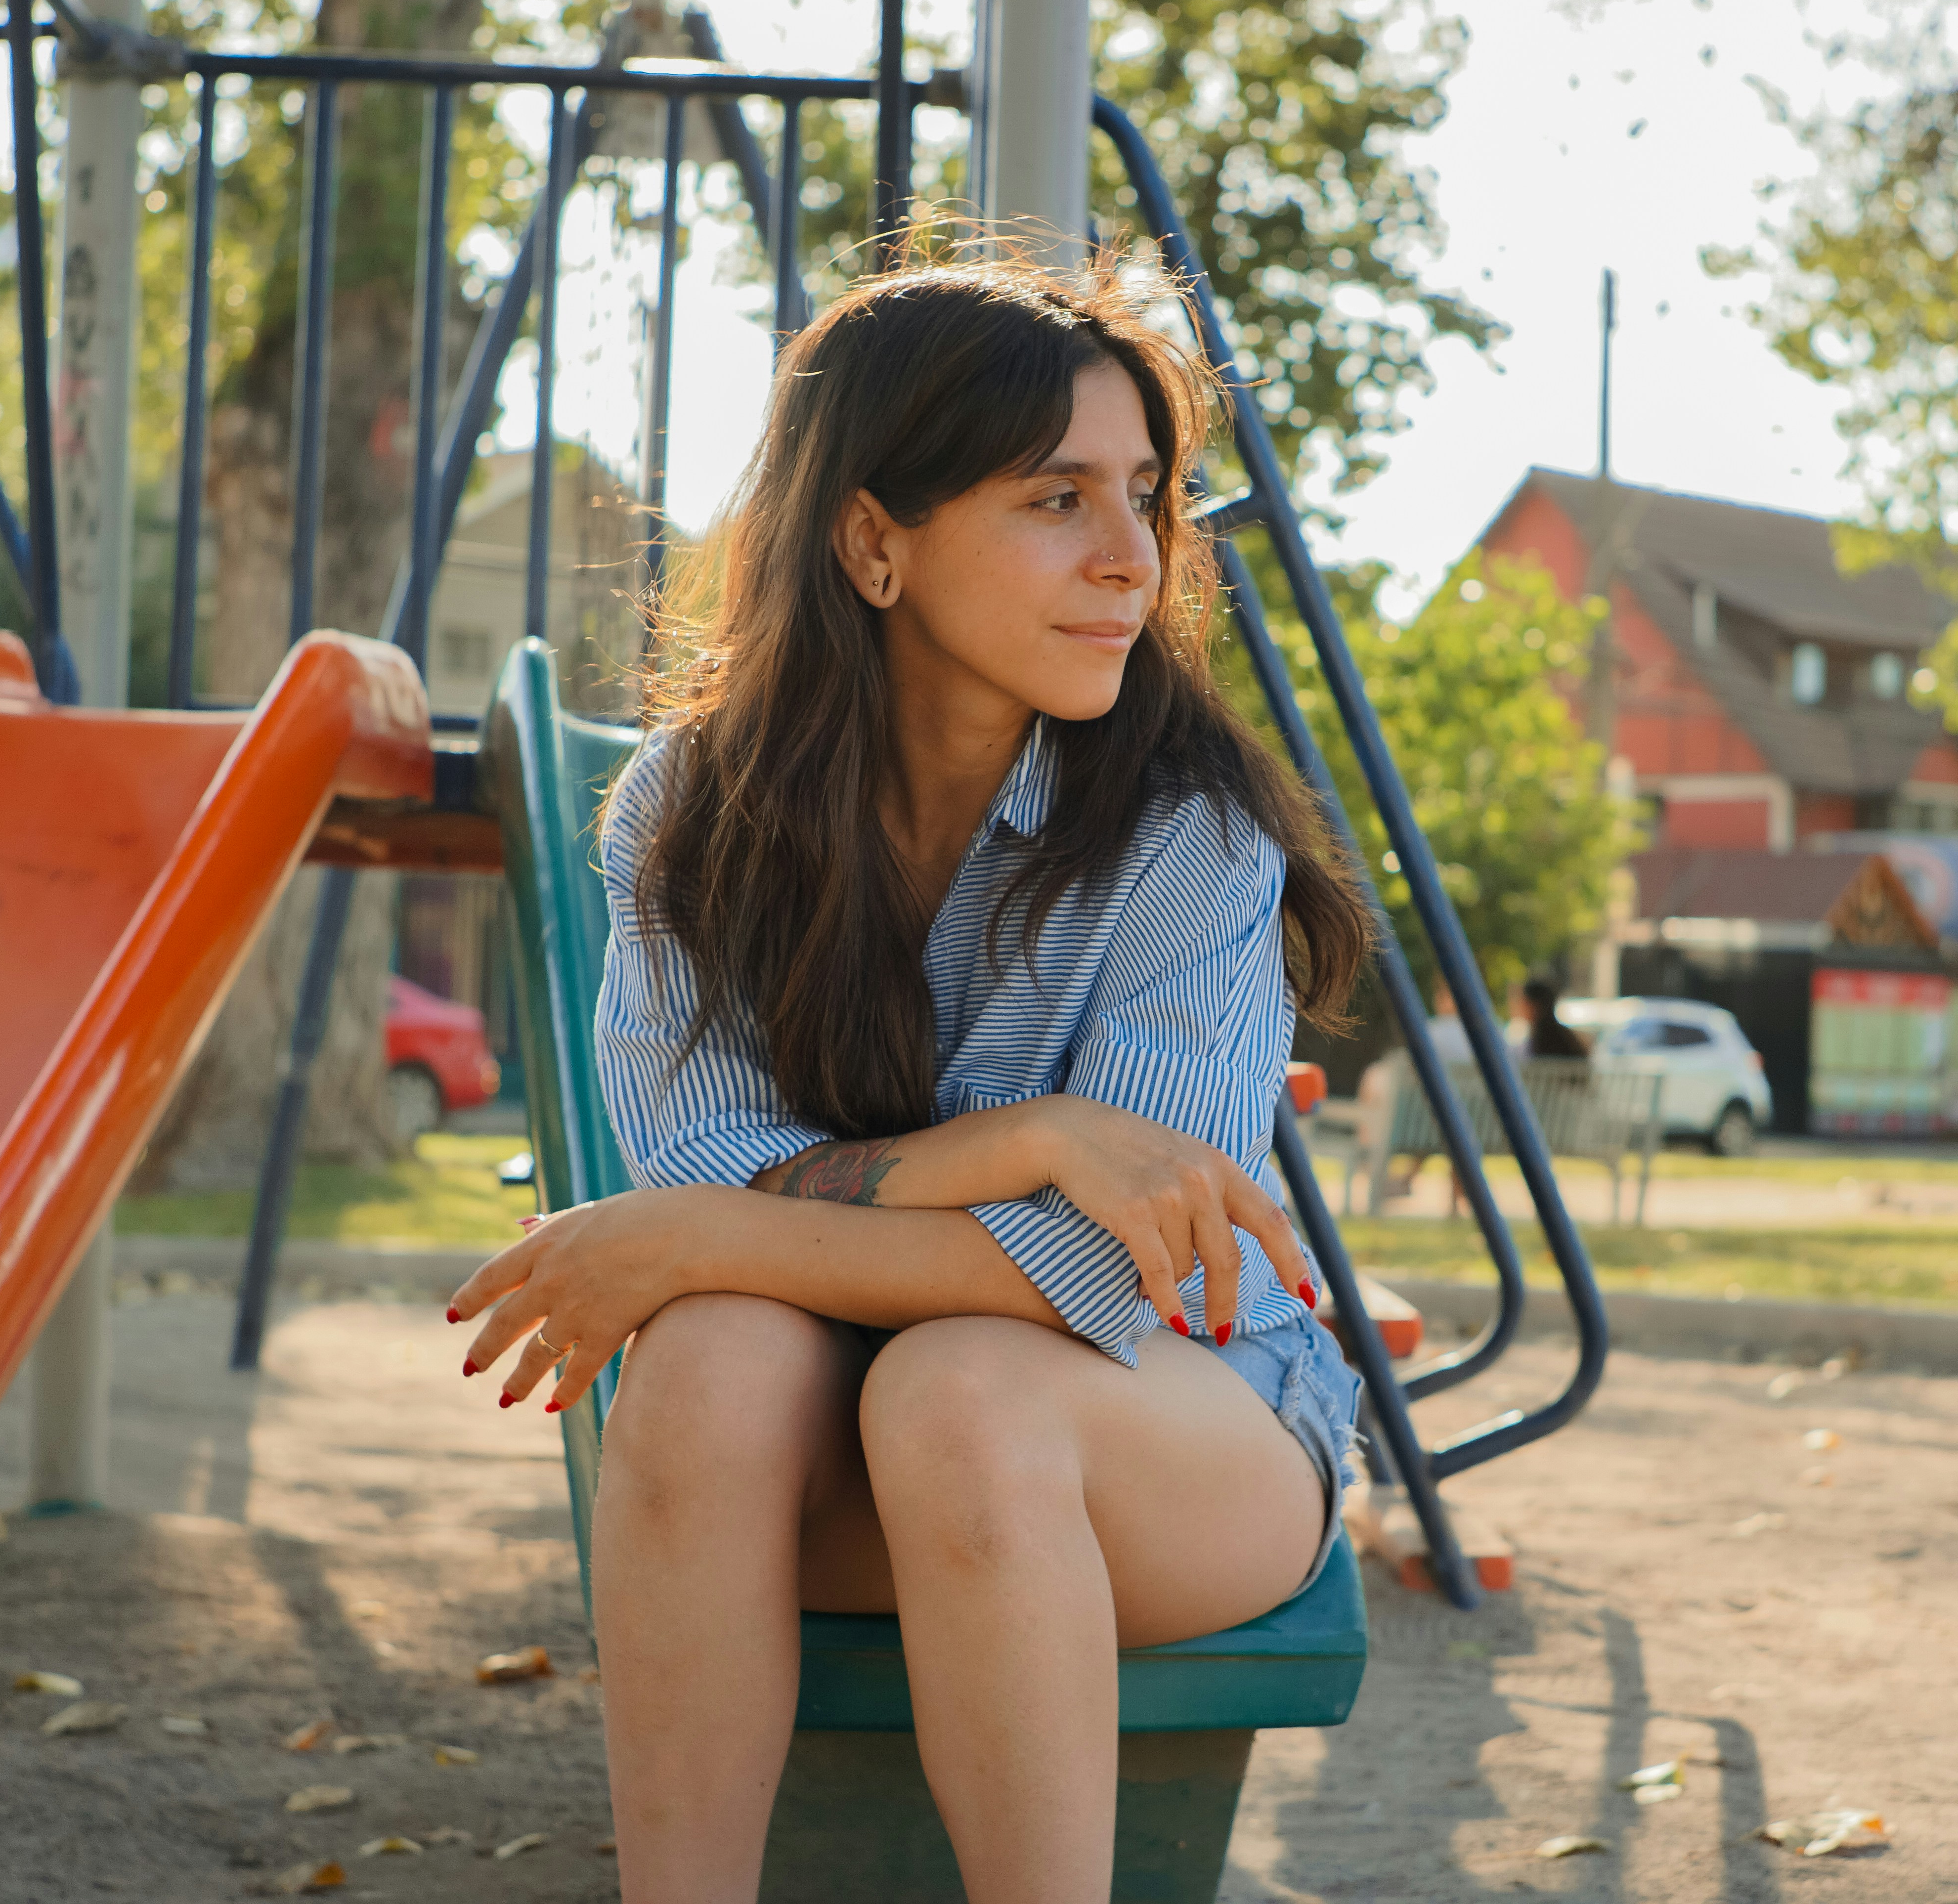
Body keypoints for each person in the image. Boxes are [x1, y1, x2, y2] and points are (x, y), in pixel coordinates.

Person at [444, 251, 1373, 1903]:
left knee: (959, 1387)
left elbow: (1101, 1266)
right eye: (1056, 498)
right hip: (824, 1451)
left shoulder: (1186, 840)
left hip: (1176, 1426)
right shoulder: (689, 807)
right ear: (875, 540)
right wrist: (1009, 1141)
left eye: (1146, 498)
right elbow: (706, 1161)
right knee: (714, 1357)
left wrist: (690, 1236)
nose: (1130, 558)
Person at [1517, 976, 1590, 1061]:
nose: (1521, 1006)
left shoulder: (1543, 1042)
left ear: (1536, 1006)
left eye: (1525, 1002)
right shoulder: (1569, 1039)